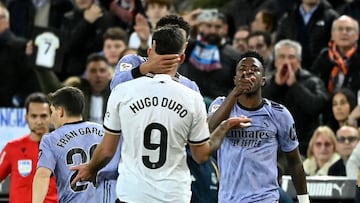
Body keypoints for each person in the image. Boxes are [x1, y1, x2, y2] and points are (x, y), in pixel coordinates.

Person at [70, 26, 251, 202]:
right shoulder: (193, 97)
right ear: (182, 58)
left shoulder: (122, 91)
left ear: (150, 51)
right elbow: (201, 155)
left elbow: (108, 150)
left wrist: (91, 168)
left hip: (132, 194)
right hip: (173, 195)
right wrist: (224, 127)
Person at [110, 14, 220, 203]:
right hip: (126, 171)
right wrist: (146, 67)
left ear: (184, 47)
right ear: (154, 42)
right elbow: (115, 88)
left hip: (170, 174)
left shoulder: (189, 87)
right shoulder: (133, 62)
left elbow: (196, 134)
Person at [207, 51, 309, 203]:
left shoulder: (279, 113)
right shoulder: (220, 105)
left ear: (263, 80)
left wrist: (304, 200)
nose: (248, 72)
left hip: (265, 198)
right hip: (229, 199)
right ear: (235, 79)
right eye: (242, 69)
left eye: (254, 69)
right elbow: (208, 131)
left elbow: (294, 160)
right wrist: (236, 93)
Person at [32, 86, 104, 203]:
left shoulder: (51, 139)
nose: (51, 118)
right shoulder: (104, 131)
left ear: (60, 111)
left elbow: (42, 175)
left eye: (52, 111)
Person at [262, 39, 328, 156]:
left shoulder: (313, 82)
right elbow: (256, 107)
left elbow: (316, 107)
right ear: (276, 61)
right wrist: (276, 85)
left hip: (302, 147)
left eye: (291, 57)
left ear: (299, 61)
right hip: (269, 148)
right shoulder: (265, 83)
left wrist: (294, 85)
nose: (286, 61)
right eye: (282, 57)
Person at [0, 92, 58, 203]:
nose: (39, 121)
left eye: (43, 116)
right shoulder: (12, 148)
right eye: (34, 116)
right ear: (26, 117)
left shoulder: (62, 147)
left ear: (51, 117)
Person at [35, 53, 112, 123]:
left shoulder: (116, 91)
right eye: (93, 71)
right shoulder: (77, 88)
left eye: (102, 70)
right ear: (86, 74)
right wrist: (41, 63)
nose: (98, 75)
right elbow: (54, 91)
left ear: (109, 74)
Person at [275, 0, 339, 68]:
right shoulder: (288, 17)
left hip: (321, 72)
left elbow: (336, 48)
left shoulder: (331, 18)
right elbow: (279, 44)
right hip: (292, 70)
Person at [0, 5, 41, 107]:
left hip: (14, 109)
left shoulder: (21, 47)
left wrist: (19, 100)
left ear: (6, 21)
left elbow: (31, 81)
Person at [310, 15, 360, 95]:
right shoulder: (324, 56)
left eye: (349, 29)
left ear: (357, 35)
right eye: (340, 29)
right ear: (332, 35)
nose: (344, 32)